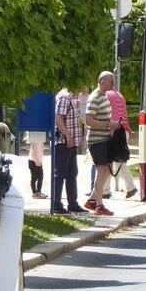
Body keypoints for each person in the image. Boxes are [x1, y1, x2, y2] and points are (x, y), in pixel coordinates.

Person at [83, 71, 116, 217]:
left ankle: (92, 199)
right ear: (102, 81)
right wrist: (108, 125)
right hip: (97, 140)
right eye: (111, 81)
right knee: (102, 170)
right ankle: (99, 205)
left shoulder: (104, 96)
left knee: (108, 170)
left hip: (105, 139)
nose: (113, 84)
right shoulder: (95, 97)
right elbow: (89, 120)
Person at [52, 85, 87, 214]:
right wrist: (68, 136)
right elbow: (58, 118)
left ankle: (73, 203)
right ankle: (56, 204)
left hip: (72, 142)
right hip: (64, 141)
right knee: (60, 174)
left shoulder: (72, 97)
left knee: (72, 173)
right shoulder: (65, 96)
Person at [106, 82, 137, 198]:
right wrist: (129, 129)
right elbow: (124, 114)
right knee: (118, 160)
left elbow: (108, 114)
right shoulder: (119, 95)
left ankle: (130, 187)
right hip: (123, 130)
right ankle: (106, 190)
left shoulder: (106, 95)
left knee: (112, 160)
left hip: (115, 130)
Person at [27, 130, 47, 199]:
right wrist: (37, 161)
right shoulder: (35, 137)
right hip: (33, 160)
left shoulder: (40, 138)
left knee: (40, 177)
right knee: (34, 177)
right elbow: (34, 149)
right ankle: (35, 193)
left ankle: (38, 192)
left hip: (38, 160)